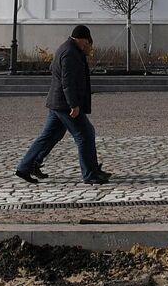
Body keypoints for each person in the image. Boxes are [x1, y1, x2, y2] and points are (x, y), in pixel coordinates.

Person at [16, 25, 110, 185]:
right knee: (85, 134)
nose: (89, 48)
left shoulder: (66, 49)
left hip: (57, 103)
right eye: (89, 44)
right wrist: (73, 104)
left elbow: (53, 68)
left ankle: (26, 167)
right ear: (82, 40)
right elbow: (67, 82)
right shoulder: (70, 53)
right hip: (65, 104)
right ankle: (90, 173)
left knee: (49, 136)